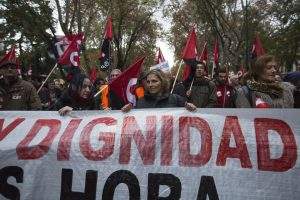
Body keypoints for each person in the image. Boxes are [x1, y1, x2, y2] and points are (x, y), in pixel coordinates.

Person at [121, 69, 196, 112]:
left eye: (154, 81)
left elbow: (190, 115)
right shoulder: (140, 102)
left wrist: (191, 108)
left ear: (162, 82)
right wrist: (130, 111)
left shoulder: (176, 99)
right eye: (148, 82)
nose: (150, 84)